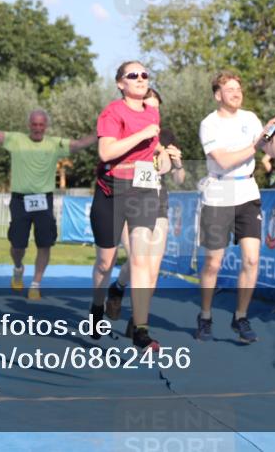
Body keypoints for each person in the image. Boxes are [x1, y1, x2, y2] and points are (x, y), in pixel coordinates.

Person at [196, 71, 275, 343]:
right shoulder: (209, 124)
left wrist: (274, 132)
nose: (236, 93)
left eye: (239, 89)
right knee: (214, 262)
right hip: (218, 193)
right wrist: (257, 143)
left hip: (247, 191)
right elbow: (224, 162)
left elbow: (272, 153)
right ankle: (205, 315)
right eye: (230, 89)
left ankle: (240, 316)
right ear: (217, 95)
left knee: (252, 258)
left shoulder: (250, 118)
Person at [89, 61, 173, 351]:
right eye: (132, 75)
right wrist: (142, 134)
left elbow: (154, 158)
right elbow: (106, 151)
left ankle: (140, 329)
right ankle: (97, 306)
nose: (140, 78)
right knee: (105, 262)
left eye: (144, 75)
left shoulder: (153, 113)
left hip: (143, 190)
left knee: (140, 258)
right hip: (111, 191)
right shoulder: (113, 112)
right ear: (120, 84)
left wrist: (166, 161)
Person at [0, 92, 96, 299]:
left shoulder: (55, 143)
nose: (37, 128)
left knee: (44, 243)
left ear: (46, 126)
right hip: (20, 200)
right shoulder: (16, 140)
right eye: (34, 124)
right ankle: (18, 269)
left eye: (41, 125)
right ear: (29, 125)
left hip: (44, 200)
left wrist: (101, 131)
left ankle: (35, 283)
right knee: (17, 245)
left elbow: (79, 144)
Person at [106, 88, 184, 322]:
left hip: (157, 201)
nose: (152, 112)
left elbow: (178, 178)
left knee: (152, 268)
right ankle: (118, 287)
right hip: (128, 199)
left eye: (156, 108)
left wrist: (177, 163)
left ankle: (139, 321)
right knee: (137, 258)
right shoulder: (123, 131)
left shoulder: (166, 135)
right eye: (148, 106)